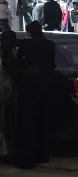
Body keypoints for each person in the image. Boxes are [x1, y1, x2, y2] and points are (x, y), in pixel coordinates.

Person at [13, 21, 58, 168]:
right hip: (45, 83)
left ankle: (28, 154)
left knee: (28, 119)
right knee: (43, 118)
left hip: (28, 84)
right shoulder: (49, 44)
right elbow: (52, 64)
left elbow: (18, 62)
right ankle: (43, 153)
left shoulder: (25, 45)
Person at [0, 29, 17, 158]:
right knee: (10, 118)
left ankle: (4, 148)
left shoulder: (5, 53)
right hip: (11, 87)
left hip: (3, 87)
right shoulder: (15, 53)